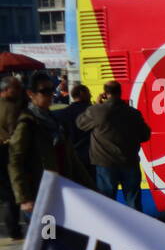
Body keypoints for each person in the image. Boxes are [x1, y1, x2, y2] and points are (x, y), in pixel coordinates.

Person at [8, 72, 93, 222]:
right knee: (49, 237)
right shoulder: (27, 123)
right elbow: (15, 161)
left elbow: (71, 158)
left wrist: (91, 189)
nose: (50, 95)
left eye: (51, 89)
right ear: (31, 94)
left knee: (61, 239)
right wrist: (24, 198)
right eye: (44, 91)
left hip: (62, 190)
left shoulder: (54, 121)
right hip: (41, 194)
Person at [76, 80, 152, 211]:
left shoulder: (97, 111)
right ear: (120, 92)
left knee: (107, 203)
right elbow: (145, 135)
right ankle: (135, 229)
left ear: (105, 93)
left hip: (105, 164)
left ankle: (109, 230)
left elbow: (80, 124)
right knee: (133, 200)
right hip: (129, 162)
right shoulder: (132, 113)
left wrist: (97, 104)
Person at [0, 75, 28, 239]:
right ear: (6, 90)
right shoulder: (10, 107)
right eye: (16, 88)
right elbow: (15, 132)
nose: (19, 91)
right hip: (6, 152)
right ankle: (14, 231)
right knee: (11, 195)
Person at [55, 84, 94, 172]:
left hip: (72, 155)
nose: (91, 95)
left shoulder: (64, 113)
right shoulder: (92, 111)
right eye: (88, 93)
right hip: (91, 156)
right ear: (82, 94)